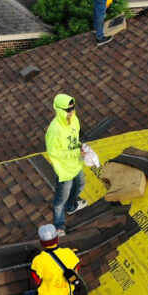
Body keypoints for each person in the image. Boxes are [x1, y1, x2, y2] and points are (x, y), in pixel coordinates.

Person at [23, 224, 81, 295]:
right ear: (57, 238)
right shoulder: (70, 254)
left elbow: (38, 283)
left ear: (41, 243)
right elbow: (76, 274)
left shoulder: (38, 261)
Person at [46, 93, 87, 234]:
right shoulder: (54, 129)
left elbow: (74, 139)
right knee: (61, 198)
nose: (71, 112)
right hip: (64, 169)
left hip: (75, 163)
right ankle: (59, 225)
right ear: (58, 109)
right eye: (68, 110)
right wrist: (76, 153)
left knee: (81, 184)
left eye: (73, 108)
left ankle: (71, 206)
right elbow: (53, 152)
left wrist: (81, 147)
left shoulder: (75, 120)